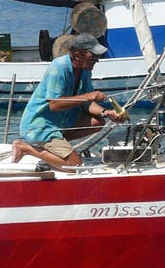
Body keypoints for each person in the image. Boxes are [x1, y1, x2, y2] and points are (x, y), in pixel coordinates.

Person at [11, 33, 124, 170]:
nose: (97, 60)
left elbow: (87, 103)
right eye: (93, 56)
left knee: (98, 121)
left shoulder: (85, 70)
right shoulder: (58, 67)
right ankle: (25, 148)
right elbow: (54, 104)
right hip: (42, 125)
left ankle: (57, 148)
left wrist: (106, 112)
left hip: (61, 123)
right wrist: (88, 96)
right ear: (77, 55)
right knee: (75, 165)